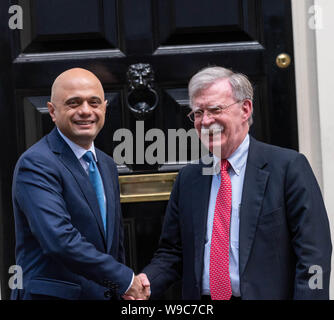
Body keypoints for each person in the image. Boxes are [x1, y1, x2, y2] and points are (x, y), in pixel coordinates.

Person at [134, 66, 332, 300]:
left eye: (215, 109)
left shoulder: (288, 168)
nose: (206, 121)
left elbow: (314, 255)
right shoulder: (189, 178)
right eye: (198, 112)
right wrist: (145, 283)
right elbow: (172, 252)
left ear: (245, 109)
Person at [11, 68, 150, 300]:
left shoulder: (106, 164)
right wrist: (125, 280)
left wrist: (121, 288)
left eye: (94, 102)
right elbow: (60, 240)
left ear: (104, 107)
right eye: (74, 103)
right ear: (52, 111)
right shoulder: (36, 164)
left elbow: (114, 246)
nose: (86, 111)